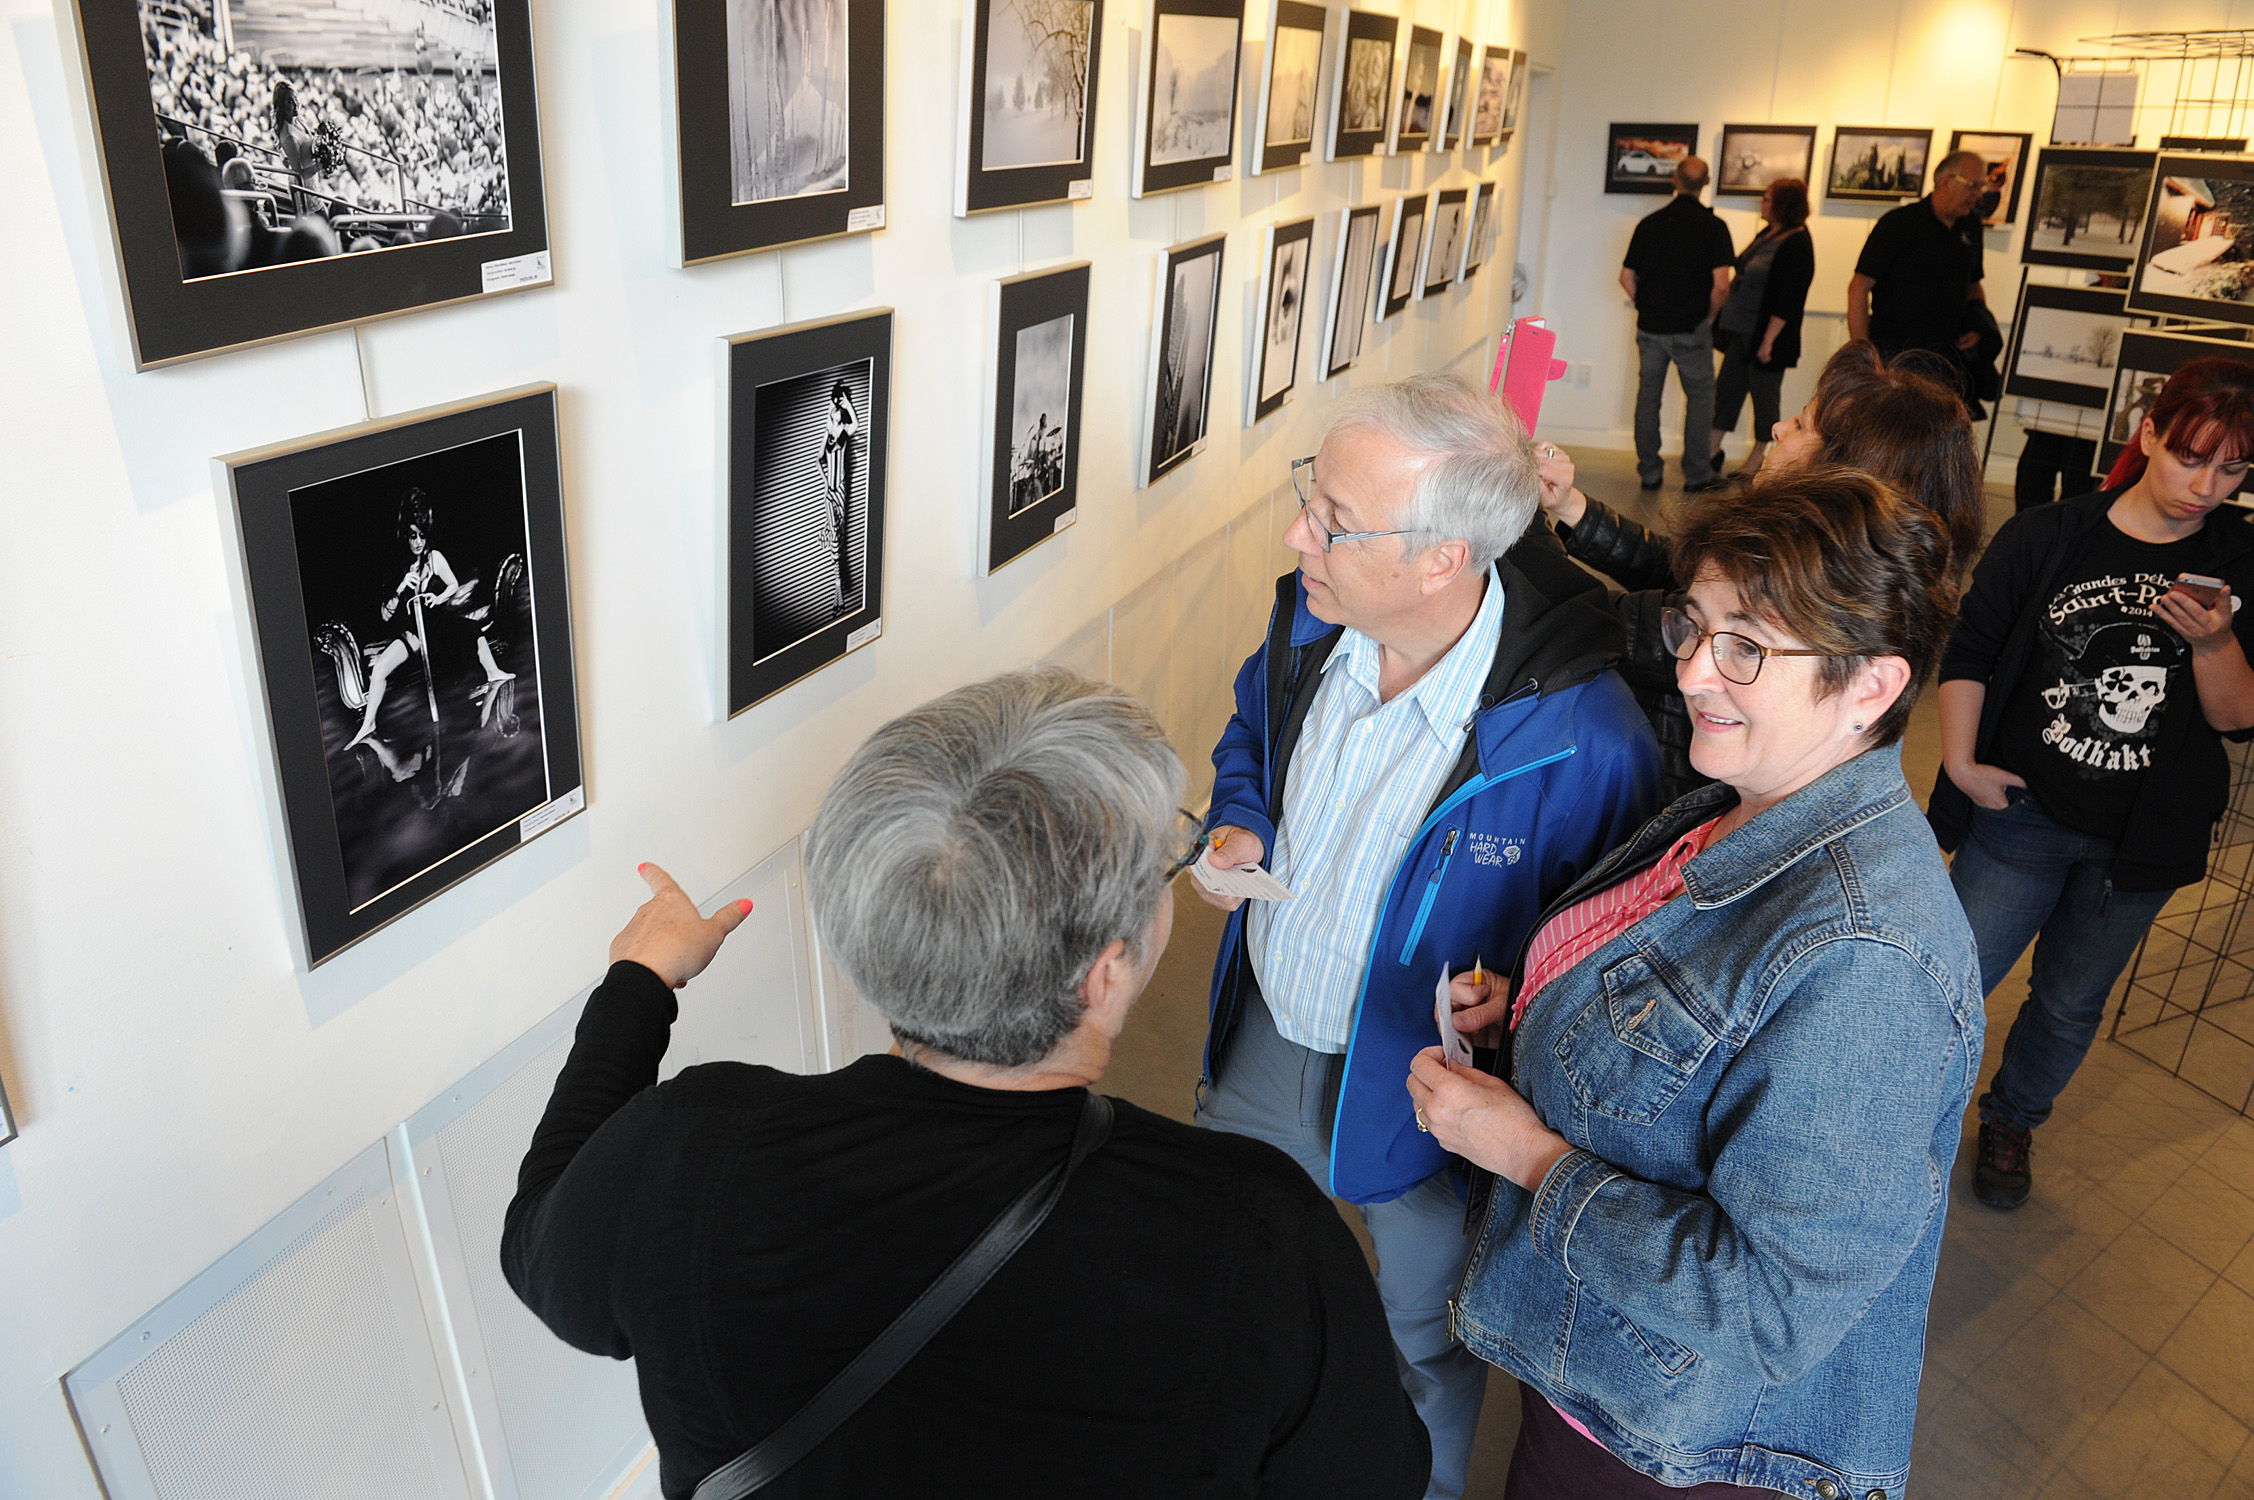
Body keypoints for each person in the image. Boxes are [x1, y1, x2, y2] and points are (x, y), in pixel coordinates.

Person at [502, 669, 1431, 1500]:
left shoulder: (686, 1148)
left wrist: (638, 984)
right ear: (1103, 975)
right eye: (1161, 871)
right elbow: (1374, 1478)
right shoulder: (1257, 1228)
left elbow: (539, 1248)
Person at [1409, 469, 1981, 1500]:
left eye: (1746, 647)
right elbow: (1686, 1047)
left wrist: (1523, 1153)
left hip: (1668, 1448)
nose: (1692, 673)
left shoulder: (1869, 957)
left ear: (1870, 687)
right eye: (1695, 626)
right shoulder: (1742, 801)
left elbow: (1765, 1307)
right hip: (1597, 1372)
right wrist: (1537, 1012)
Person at [1194, 372, 1662, 1500]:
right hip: (1265, 1040)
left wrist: (1519, 1007)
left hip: (1424, 1101)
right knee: (1233, 1278)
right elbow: (1251, 730)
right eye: (1310, 497)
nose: (1298, 535)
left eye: (1335, 520)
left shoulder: (1587, 740)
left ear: (1442, 558)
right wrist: (1240, 817)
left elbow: (1612, 968)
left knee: (1423, 1346)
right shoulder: (1310, 618)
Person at [1931, 357, 2254, 1210]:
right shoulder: (2049, 535)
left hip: (2143, 839)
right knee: (1947, 982)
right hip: (2023, 812)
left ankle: (2013, 1119)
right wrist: (1961, 764)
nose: (2206, 487)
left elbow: (2237, 719)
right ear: (2149, 434)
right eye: (2190, 457)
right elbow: (1971, 653)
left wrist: (2215, 642)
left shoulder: (2238, 559)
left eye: (2232, 469)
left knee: (2070, 1002)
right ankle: (1899, 1110)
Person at [1537, 341, 1984, 802]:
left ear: (1841, 470)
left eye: (1803, 426)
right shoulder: (1847, 573)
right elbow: (1679, 572)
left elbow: (1601, 622)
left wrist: (1519, 523)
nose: (1778, 427)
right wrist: (1572, 508)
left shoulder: (1801, 604)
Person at [347, 489, 512, 751]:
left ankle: (494, 673)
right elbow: (385, 615)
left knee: (470, 629)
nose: (418, 542)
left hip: (436, 625)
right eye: (413, 536)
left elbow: (453, 584)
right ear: (405, 535)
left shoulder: (434, 558)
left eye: (422, 536)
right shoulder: (397, 566)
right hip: (412, 633)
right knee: (379, 671)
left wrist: (438, 597)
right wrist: (400, 588)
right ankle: (368, 725)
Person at [1621, 157, 1736, 491]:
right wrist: (1709, 318)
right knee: (1700, 398)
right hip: (1691, 328)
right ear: (1706, 183)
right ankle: (1697, 474)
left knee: (1648, 396)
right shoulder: (1714, 227)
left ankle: (1650, 472)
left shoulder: (1649, 224)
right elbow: (1722, 286)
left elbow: (1626, 277)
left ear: (1675, 180)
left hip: (1651, 327)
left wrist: (1646, 305)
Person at [1708, 178, 1814, 477]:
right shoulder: (1769, 233)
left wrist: (1768, 340)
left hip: (1766, 338)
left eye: (1768, 199)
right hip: (1740, 331)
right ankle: (1711, 451)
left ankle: (1758, 459)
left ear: (1783, 205)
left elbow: (1789, 299)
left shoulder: (1798, 244)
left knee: (1764, 397)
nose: (1762, 203)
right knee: (1726, 391)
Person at [1848, 150, 1990, 364]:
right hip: (1894, 355)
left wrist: (1977, 325)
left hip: (1948, 358)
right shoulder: (1898, 224)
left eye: (1982, 186)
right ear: (1946, 182)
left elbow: (1973, 284)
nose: (1978, 194)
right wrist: (1862, 354)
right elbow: (1859, 287)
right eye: (1973, 186)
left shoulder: (1972, 227)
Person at [820, 380, 859, 610]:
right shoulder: (828, 433)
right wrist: (825, 482)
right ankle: (839, 591)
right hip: (830, 492)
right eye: (833, 406)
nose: (834, 411)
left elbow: (856, 424)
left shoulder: (844, 432)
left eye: (837, 409)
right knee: (835, 537)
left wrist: (848, 403)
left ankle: (838, 594)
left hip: (841, 490)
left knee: (838, 537)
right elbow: (818, 459)